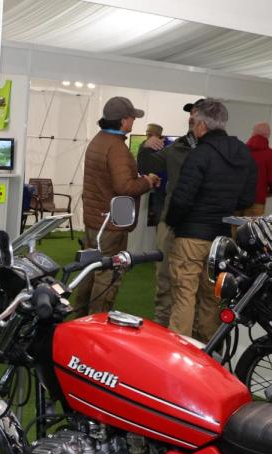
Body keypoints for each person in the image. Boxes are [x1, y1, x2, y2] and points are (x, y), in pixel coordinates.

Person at [165, 99, 256, 341]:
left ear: (203, 125)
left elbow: (182, 199)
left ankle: (179, 352)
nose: (192, 126)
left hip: (191, 235)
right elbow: (247, 198)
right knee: (211, 297)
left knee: (184, 294)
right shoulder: (243, 153)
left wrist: (173, 223)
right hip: (222, 239)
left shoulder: (200, 155)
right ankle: (207, 351)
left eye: (194, 121)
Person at [72, 96, 160, 317]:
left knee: (91, 270)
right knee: (108, 274)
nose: (133, 122)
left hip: (95, 219)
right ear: (123, 121)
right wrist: (147, 181)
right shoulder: (117, 148)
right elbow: (125, 187)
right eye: (132, 118)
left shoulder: (98, 140)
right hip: (110, 223)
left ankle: (80, 317)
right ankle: (98, 322)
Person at [138, 100, 201, 327]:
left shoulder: (215, 149)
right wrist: (145, 147)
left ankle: (199, 342)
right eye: (191, 113)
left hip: (199, 227)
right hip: (171, 221)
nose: (191, 117)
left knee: (195, 287)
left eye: (196, 113)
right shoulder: (179, 146)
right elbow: (147, 166)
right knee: (165, 278)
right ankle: (161, 328)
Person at [245, 122, 272, 217]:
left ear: (253, 133)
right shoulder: (271, 154)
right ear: (268, 136)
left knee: (234, 229)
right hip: (257, 200)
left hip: (236, 200)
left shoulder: (241, 150)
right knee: (252, 230)